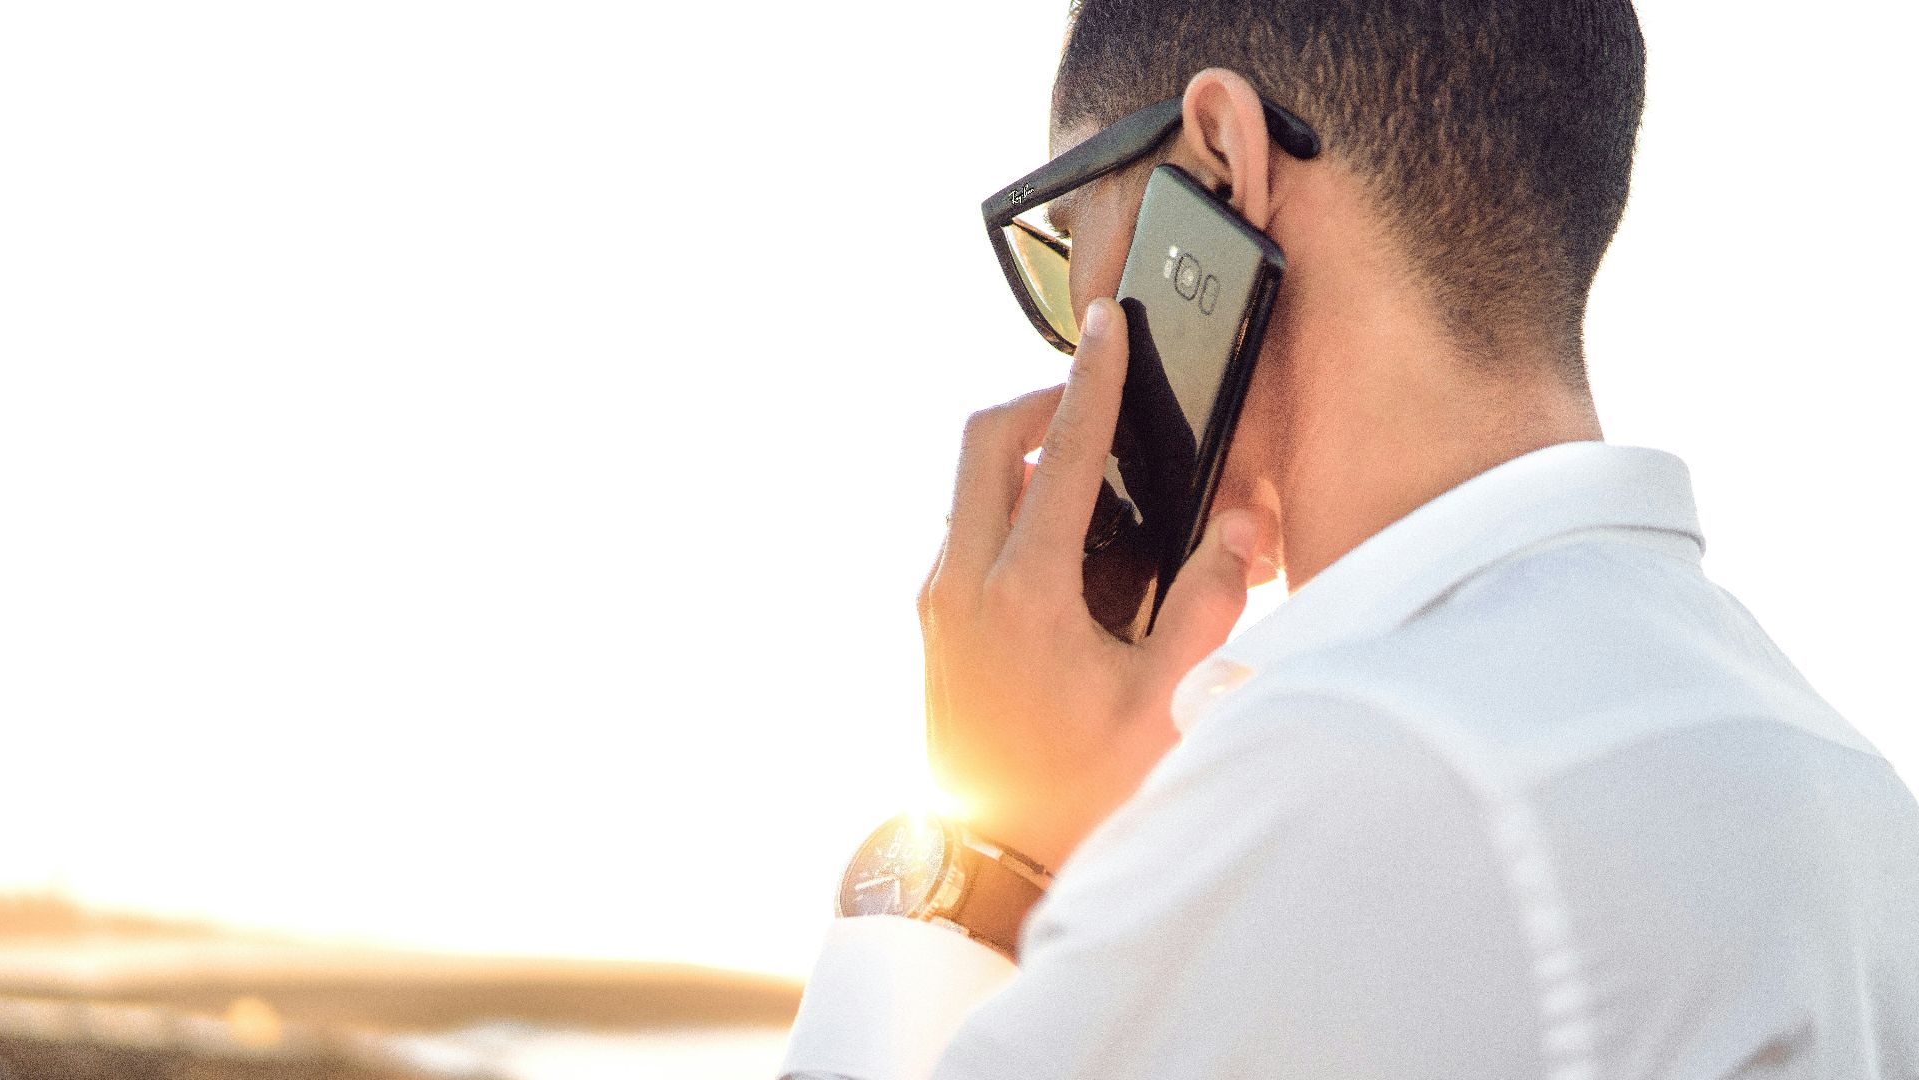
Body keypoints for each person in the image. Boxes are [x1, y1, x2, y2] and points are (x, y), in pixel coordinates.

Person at [781, 1, 1919, 1077]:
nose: (1065, 330)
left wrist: (983, 861)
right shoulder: (1847, 784)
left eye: (1069, 234)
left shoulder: (1347, 778)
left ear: (1220, 162)